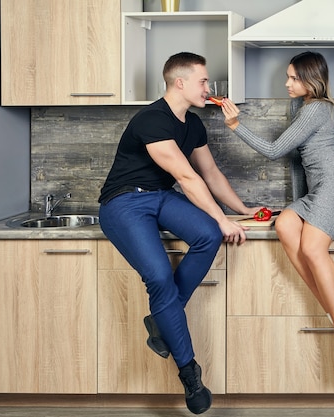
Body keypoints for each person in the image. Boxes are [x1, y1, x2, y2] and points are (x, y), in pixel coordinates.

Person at [98, 52, 261, 414]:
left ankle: (161, 319)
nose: (210, 89)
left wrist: (241, 210)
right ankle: (190, 373)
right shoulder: (152, 120)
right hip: (123, 203)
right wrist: (221, 218)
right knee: (158, 276)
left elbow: (211, 173)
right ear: (180, 83)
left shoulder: (193, 124)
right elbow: (188, 178)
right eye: (204, 82)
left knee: (207, 235)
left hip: (160, 198)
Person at [219, 51, 334, 388]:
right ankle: (333, 311)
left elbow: (275, 150)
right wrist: (297, 205)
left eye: (294, 78)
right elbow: (299, 162)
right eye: (288, 76)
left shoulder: (317, 108)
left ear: (311, 79)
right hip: (317, 190)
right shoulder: (302, 107)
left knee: (313, 249)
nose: (287, 83)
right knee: (284, 224)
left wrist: (236, 125)